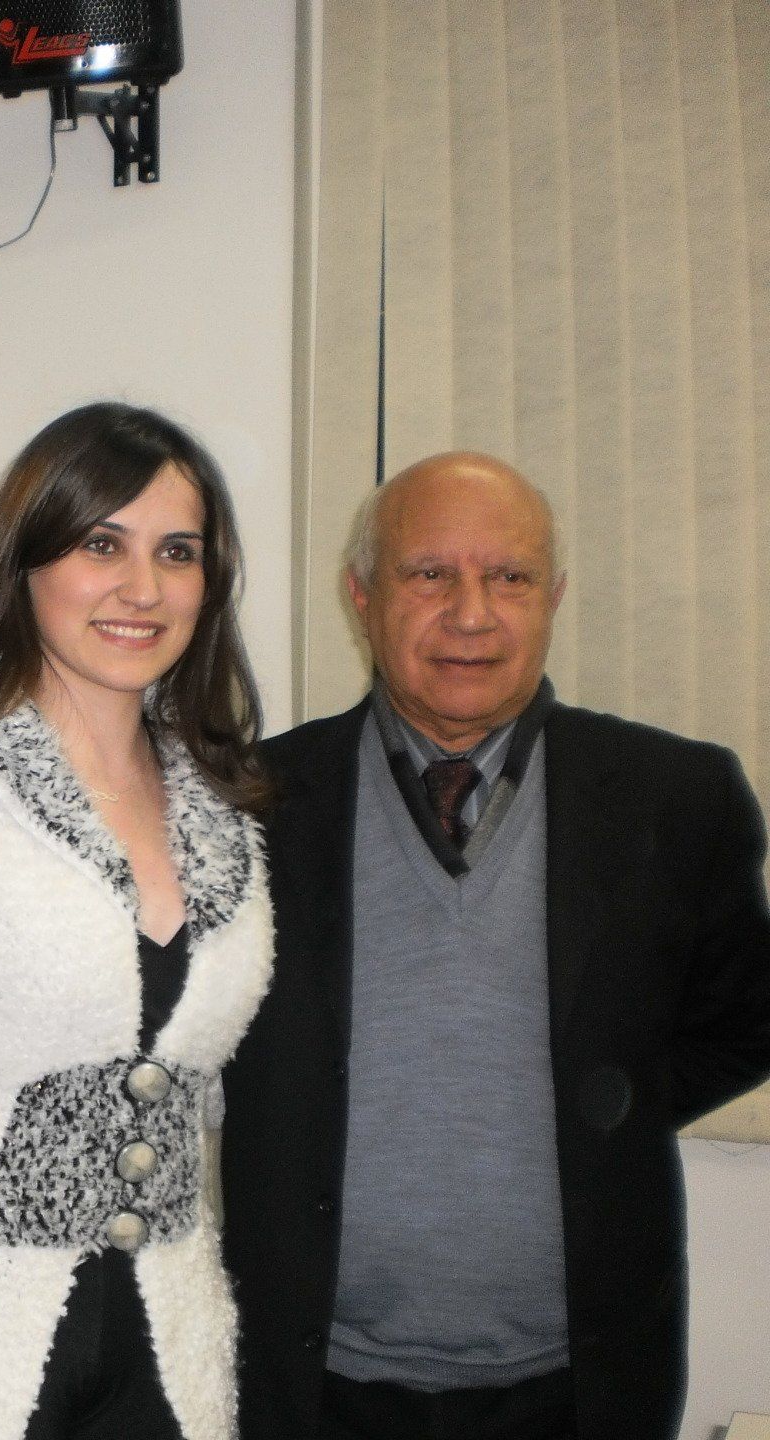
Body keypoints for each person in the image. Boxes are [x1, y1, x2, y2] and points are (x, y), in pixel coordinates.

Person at [221, 452, 770, 1440]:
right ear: (362, 595)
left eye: (509, 577)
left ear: (552, 597)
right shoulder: (247, 807)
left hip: (579, 1385)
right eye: (429, 573)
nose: (471, 614)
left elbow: (744, 1023)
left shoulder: (678, 800)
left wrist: (598, 1112)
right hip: (310, 1382)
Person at [0, 403, 275, 1440]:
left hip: (169, 1336)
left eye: (178, 553)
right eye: (102, 545)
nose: (143, 589)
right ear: (24, 562)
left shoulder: (225, 807)